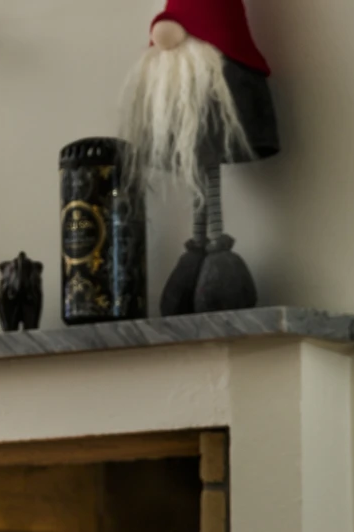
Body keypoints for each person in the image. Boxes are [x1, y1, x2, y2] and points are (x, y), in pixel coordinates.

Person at [120, 0, 280, 314]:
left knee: (207, 168)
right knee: (203, 169)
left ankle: (213, 245)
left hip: (207, 64)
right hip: (200, 61)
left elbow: (174, 30)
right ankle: (202, 248)